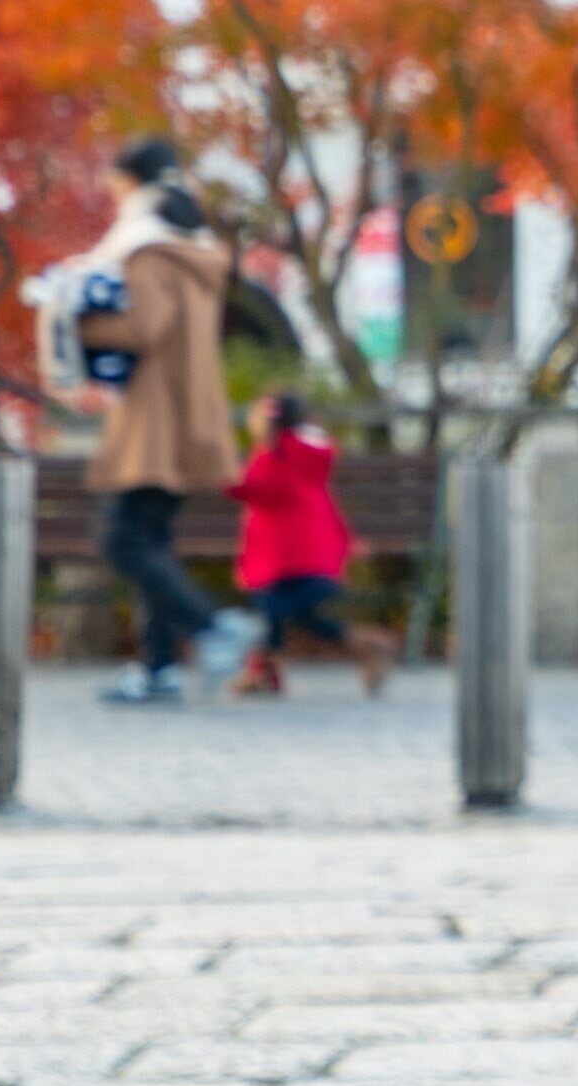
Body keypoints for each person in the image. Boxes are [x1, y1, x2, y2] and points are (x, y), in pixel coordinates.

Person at [63, 138, 260, 705]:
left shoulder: (149, 250)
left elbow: (144, 326)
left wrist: (77, 326)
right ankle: (159, 670)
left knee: (122, 539)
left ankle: (212, 629)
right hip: (189, 409)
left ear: (133, 182)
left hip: (156, 415)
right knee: (152, 540)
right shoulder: (193, 246)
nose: (111, 192)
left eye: (115, 181)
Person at [224, 392, 397, 696]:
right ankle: (367, 646)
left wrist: (222, 473)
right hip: (312, 552)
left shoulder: (276, 455)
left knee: (271, 610)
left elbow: (260, 490)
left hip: (289, 555)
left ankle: (263, 671)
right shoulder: (305, 452)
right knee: (290, 614)